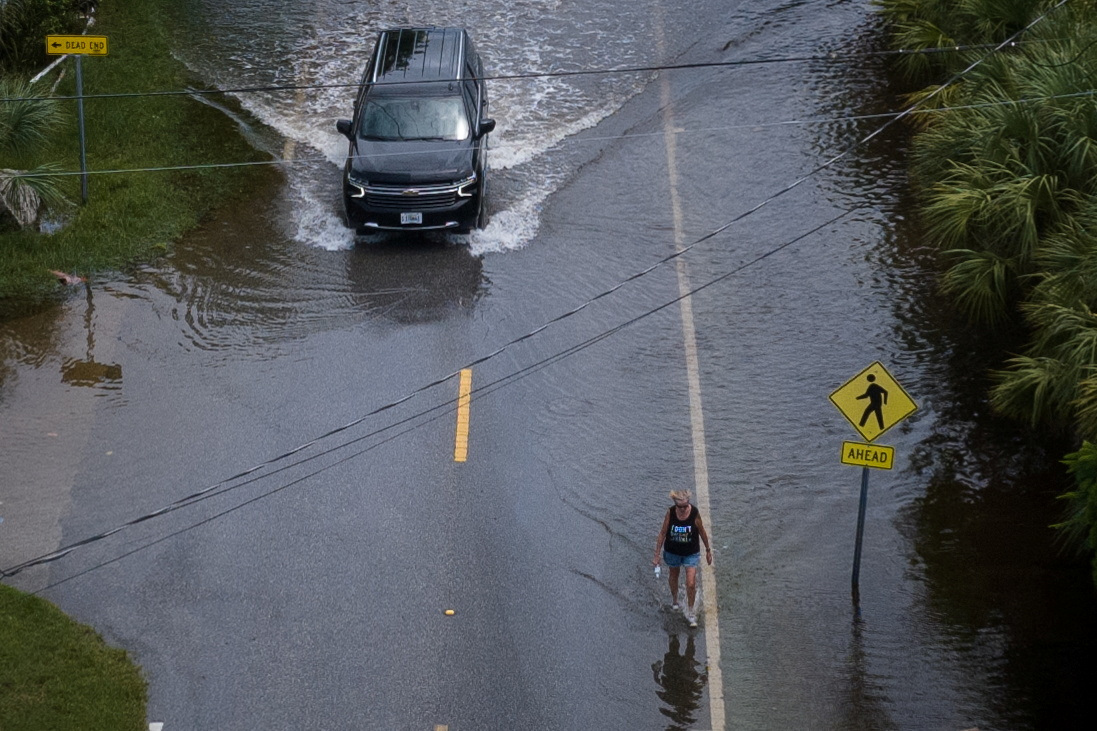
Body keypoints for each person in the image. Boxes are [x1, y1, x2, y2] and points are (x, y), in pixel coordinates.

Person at [652, 489, 712, 627]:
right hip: (672, 552)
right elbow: (662, 533)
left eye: (686, 506)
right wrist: (657, 555)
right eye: (681, 507)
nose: (684, 509)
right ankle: (675, 601)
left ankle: (691, 612)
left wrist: (708, 551)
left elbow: (702, 532)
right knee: (674, 575)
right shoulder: (670, 513)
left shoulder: (694, 513)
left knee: (691, 583)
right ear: (675, 505)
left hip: (691, 553)